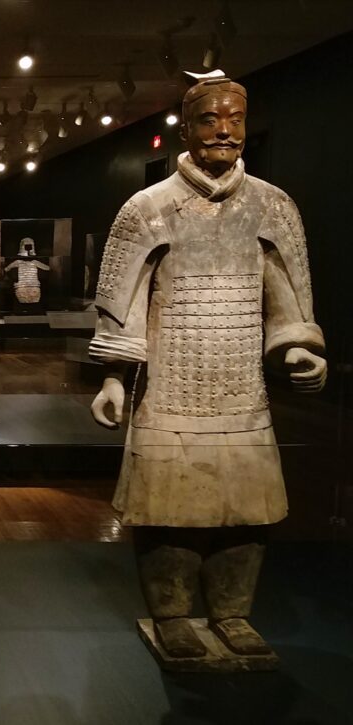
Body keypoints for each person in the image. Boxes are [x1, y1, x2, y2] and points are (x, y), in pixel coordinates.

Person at [89, 71, 326, 661]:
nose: (224, 131)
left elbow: (287, 297)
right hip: (170, 385)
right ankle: (171, 613)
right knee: (168, 508)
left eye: (234, 119)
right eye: (209, 119)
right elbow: (126, 298)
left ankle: (232, 613)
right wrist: (115, 377)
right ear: (188, 128)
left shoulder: (273, 206)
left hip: (242, 387)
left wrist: (298, 347)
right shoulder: (148, 208)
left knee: (245, 510)